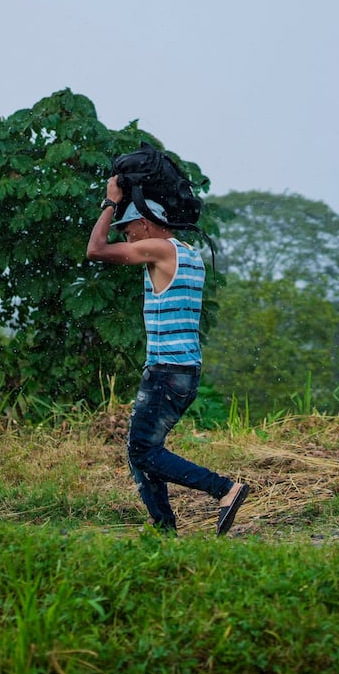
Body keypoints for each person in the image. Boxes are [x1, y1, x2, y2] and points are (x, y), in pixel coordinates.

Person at [87, 178, 249, 535]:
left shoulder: (160, 249)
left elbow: (96, 249)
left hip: (167, 372)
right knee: (140, 451)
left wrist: (110, 201)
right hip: (184, 371)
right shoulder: (188, 252)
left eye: (127, 230)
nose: (127, 238)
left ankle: (224, 489)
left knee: (143, 452)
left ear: (145, 224)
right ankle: (163, 531)